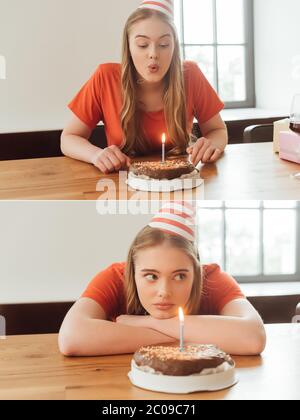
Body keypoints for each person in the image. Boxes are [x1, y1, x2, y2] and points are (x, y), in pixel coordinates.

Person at [59, 201, 266, 357]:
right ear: (132, 271)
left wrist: (144, 323)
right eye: (151, 276)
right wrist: (184, 335)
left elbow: (253, 338)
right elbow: (71, 338)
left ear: (196, 272)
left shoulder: (213, 279)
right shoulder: (115, 277)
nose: (164, 291)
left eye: (179, 276)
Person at [61, 0, 228, 174]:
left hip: (178, 184)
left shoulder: (191, 75)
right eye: (142, 45)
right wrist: (96, 155)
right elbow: (68, 138)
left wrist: (211, 144)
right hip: (123, 186)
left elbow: (218, 130)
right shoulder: (106, 77)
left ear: (174, 47)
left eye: (164, 44)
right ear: (129, 46)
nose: (153, 54)